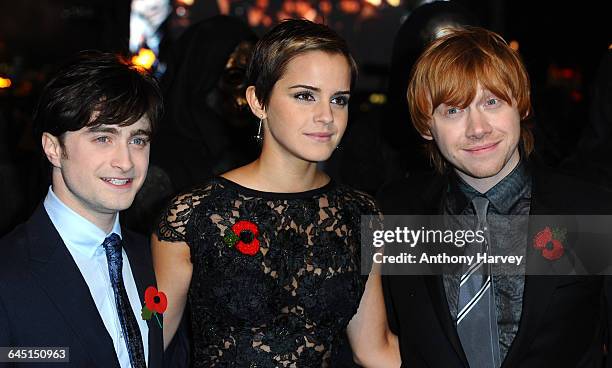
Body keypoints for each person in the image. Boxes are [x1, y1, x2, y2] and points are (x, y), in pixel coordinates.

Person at [377, 26, 612, 367]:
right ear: (427, 126)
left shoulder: (590, 212)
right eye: (453, 110)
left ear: (521, 104)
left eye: (491, 102)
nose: (477, 128)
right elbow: (381, 340)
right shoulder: (394, 210)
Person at [152, 19, 379, 367]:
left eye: (339, 100)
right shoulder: (193, 214)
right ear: (258, 101)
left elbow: (373, 351)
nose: (326, 116)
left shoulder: (362, 213)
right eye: (305, 96)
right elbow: (149, 345)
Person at [0, 51, 164, 368]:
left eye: (138, 140)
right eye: (103, 138)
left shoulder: (153, 257)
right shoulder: (8, 272)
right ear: (53, 148)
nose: (126, 161)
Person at [123, 15, 259, 235]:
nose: (248, 96)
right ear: (202, 76)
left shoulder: (251, 153)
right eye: (235, 77)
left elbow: (242, 240)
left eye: (255, 81)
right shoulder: (157, 164)